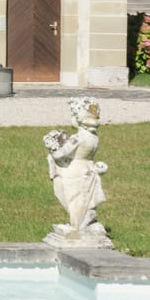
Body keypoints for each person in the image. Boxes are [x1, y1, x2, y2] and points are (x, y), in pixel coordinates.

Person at [44, 97, 109, 239]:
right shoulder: (94, 137)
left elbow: (60, 154)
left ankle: (77, 228)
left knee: (74, 200)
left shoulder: (78, 137)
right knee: (86, 200)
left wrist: (52, 145)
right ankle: (85, 225)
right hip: (89, 168)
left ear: (77, 118)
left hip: (74, 171)